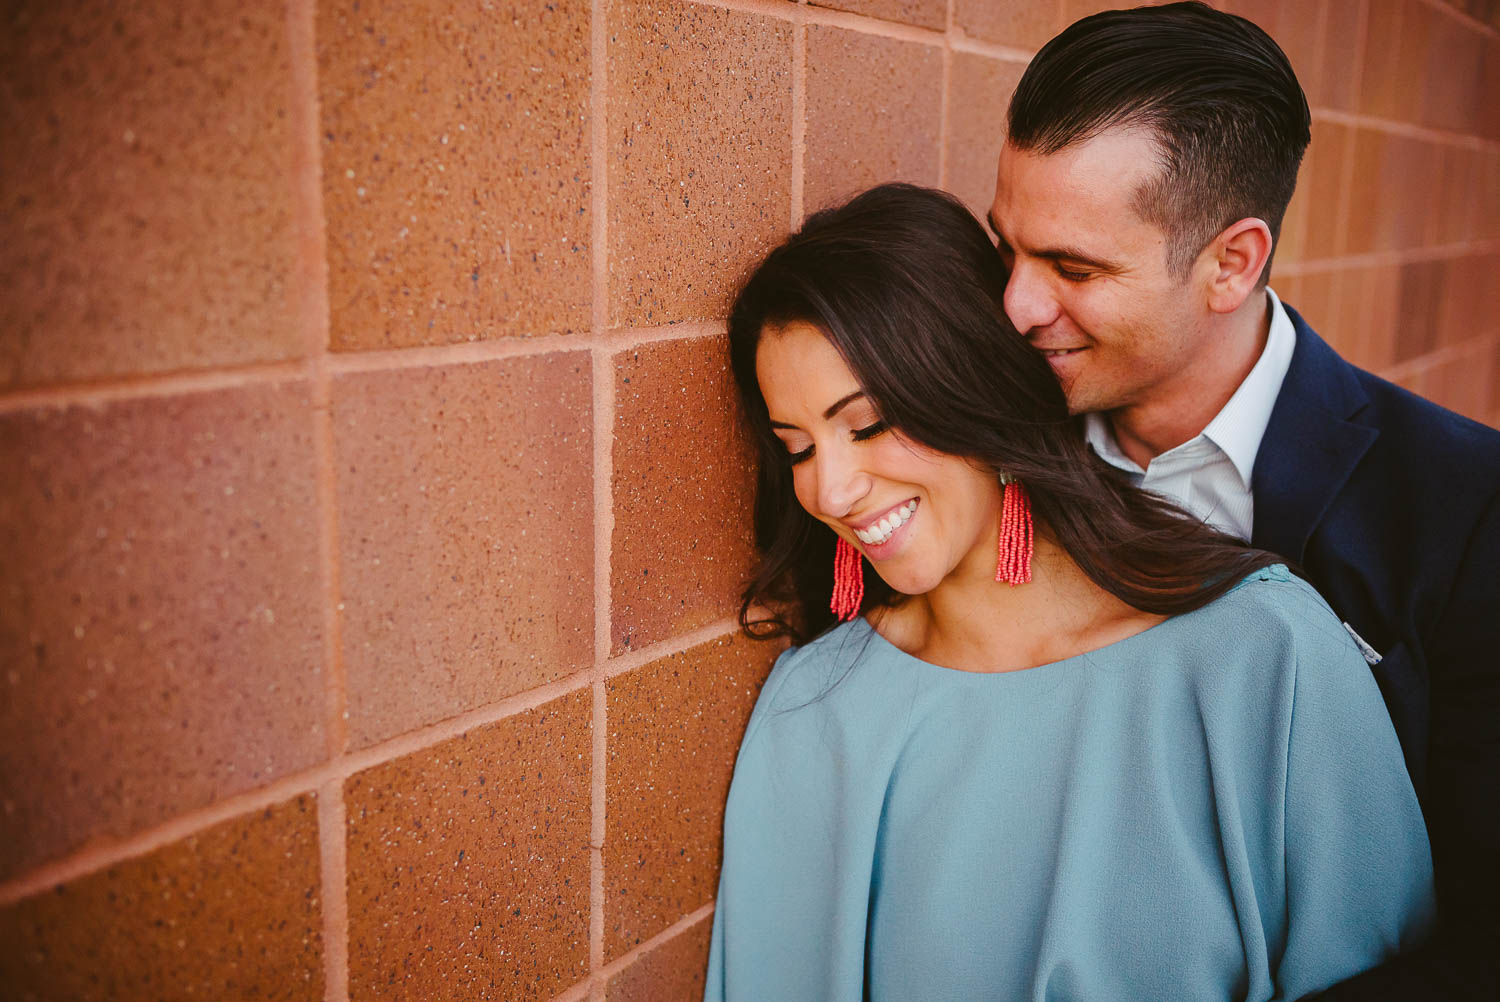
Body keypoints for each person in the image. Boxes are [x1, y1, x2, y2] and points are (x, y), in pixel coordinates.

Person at [704, 182, 1432, 1001]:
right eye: (796, 448)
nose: (830, 491)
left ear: (980, 392)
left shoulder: (1264, 654)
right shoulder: (814, 707)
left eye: (867, 425)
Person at [986, 4, 1500, 997]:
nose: (1015, 305)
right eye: (1006, 245)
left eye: (1073, 268)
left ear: (1232, 263)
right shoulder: (975, 444)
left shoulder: (1465, 512)